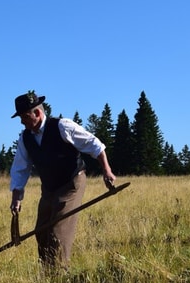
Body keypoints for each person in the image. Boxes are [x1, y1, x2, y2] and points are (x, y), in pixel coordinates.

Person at [9, 91, 117, 269]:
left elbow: (94, 144)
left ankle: (59, 276)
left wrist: (107, 170)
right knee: (41, 231)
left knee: (57, 231)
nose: (22, 122)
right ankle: (47, 273)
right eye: (20, 117)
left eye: (25, 116)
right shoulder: (25, 138)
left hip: (71, 183)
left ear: (37, 113)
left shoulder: (62, 126)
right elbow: (20, 169)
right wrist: (16, 197)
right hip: (49, 188)